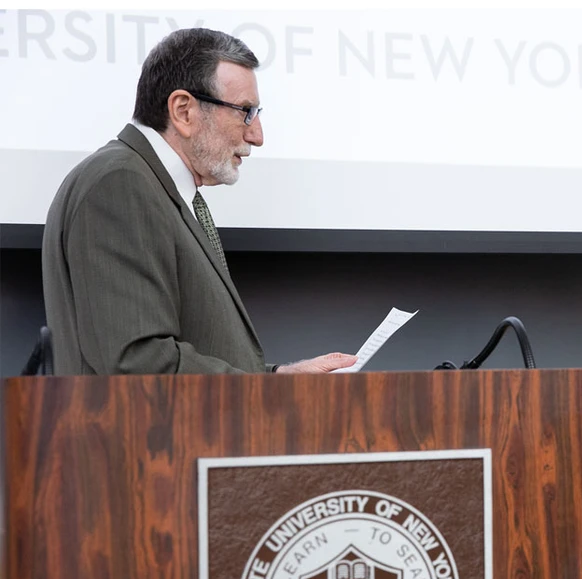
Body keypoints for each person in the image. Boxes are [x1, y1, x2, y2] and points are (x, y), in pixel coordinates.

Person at [42, 28, 355, 375]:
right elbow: (139, 365)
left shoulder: (152, 185)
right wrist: (268, 391)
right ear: (183, 111)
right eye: (245, 112)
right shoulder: (120, 184)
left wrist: (278, 378)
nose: (257, 135)